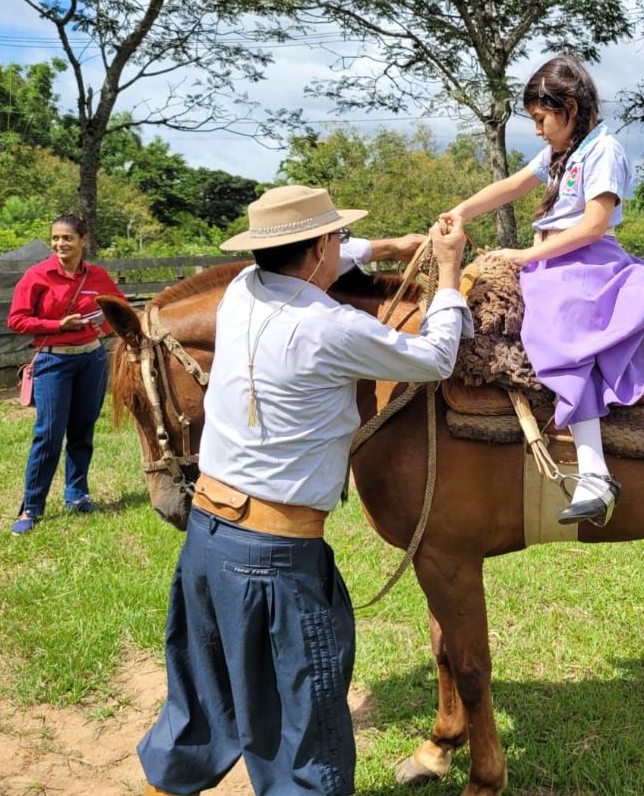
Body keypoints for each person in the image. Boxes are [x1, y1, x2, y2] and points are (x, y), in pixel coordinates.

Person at [137, 185, 472, 796]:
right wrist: (448, 271)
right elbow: (435, 356)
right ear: (318, 245)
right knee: (305, 730)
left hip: (208, 539)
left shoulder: (241, 291)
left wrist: (390, 245)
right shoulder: (332, 327)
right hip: (275, 556)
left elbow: (323, 264)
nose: (343, 247)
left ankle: (172, 782)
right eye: (337, 238)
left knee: (201, 692)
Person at [438, 56, 644, 528]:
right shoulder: (563, 154)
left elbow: (595, 225)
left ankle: (595, 473)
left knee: (556, 321)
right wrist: (461, 211)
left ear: (569, 108)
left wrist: (525, 256)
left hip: (586, 261)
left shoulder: (604, 151)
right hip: (553, 258)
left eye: (541, 119)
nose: (537, 130)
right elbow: (513, 184)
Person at [6, 214, 127, 536]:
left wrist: (101, 325)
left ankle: (77, 495)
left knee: (82, 431)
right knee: (48, 434)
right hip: (53, 363)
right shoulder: (36, 276)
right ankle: (31, 507)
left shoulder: (98, 275)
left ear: (83, 240)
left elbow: (119, 307)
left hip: (93, 359)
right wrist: (58, 325)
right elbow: (17, 320)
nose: (61, 244)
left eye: (68, 238)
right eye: (56, 238)